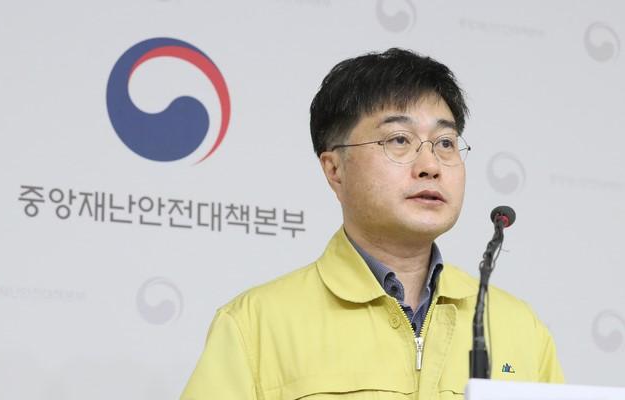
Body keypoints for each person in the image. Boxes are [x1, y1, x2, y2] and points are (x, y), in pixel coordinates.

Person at [180, 48, 564, 400]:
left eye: (446, 142)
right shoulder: (256, 325)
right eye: (399, 140)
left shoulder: (519, 328)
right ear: (335, 169)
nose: (430, 165)